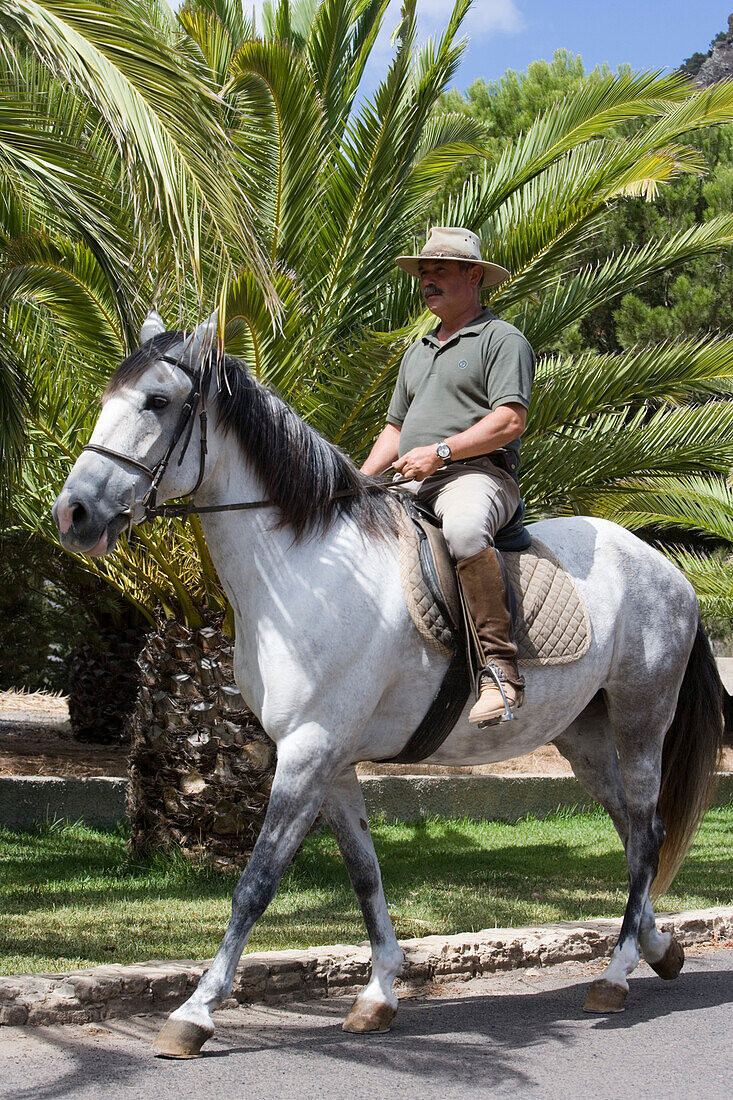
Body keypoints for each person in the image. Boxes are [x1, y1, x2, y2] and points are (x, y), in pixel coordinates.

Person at [361, 227, 535, 725]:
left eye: (440, 270)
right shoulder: (416, 352)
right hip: (412, 478)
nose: (426, 280)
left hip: (476, 476)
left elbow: (510, 420)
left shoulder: (502, 339)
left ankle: (501, 673)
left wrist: (441, 451)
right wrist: (357, 482)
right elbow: (394, 429)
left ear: (474, 275)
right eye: (423, 272)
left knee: (462, 530)